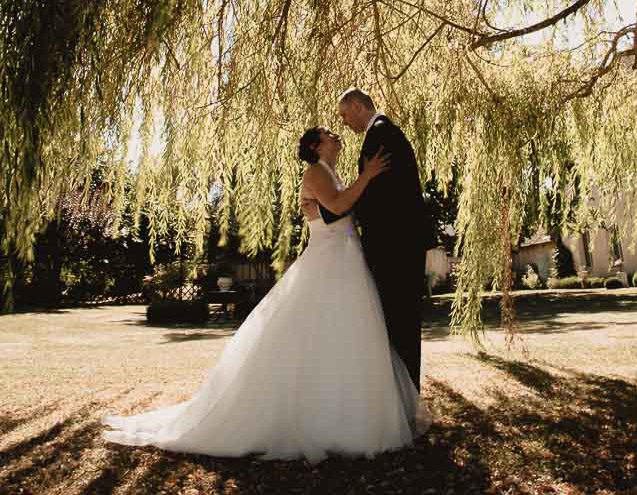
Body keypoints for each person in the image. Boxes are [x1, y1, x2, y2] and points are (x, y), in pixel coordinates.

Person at [102, 125, 428, 463]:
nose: (337, 136)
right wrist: (369, 176)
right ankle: (319, 420)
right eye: (331, 134)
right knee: (319, 332)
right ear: (316, 146)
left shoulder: (332, 171)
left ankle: (347, 416)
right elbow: (335, 208)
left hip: (348, 259)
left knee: (347, 337)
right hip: (329, 259)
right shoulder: (315, 172)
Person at [337, 89, 429, 391]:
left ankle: (404, 399)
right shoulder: (385, 132)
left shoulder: (380, 134)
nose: (344, 122)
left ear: (358, 106)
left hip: (393, 247)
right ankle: (404, 397)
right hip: (401, 245)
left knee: (398, 322)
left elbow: (380, 198)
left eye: (345, 114)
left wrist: (350, 218)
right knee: (400, 321)